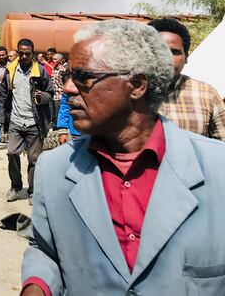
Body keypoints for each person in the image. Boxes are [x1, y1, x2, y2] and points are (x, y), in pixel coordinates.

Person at [21, 19, 225, 296]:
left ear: (137, 85)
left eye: (83, 77)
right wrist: (38, 285)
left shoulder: (217, 169)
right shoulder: (54, 169)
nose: (68, 88)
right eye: (69, 75)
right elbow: (45, 249)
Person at [148, 18, 225, 140]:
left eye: (175, 52)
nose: (167, 58)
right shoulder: (126, 92)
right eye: (159, 51)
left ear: (186, 57)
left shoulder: (207, 94)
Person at [0, 38, 53, 203]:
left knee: (34, 160)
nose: (23, 57)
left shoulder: (41, 72)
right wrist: (2, 118)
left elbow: (50, 93)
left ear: (33, 54)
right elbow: (3, 97)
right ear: (17, 52)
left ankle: (32, 191)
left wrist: (41, 96)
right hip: (16, 121)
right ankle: (15, 187)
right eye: (20, 53)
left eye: (27, 54)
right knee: (12, 153)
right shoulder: (10, 71)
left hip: (34, 123)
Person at [50, 53, 67, 126]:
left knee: (60, 113)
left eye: (55, 59)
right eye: (53, 59)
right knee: (55, 112)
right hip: (55, 94)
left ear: (60, 61)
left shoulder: (62, 69)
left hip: (61, 94)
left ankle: (61, 127)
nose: (53, 61)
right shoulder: (55, 68)